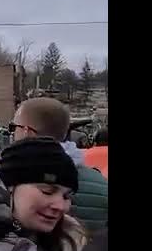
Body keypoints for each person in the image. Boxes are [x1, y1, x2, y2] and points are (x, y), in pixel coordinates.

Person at [11, 97, 108, 234]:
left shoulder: (5, 180)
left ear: (27, 131)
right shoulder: (102, 184)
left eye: (14, 127)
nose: (60, 206)